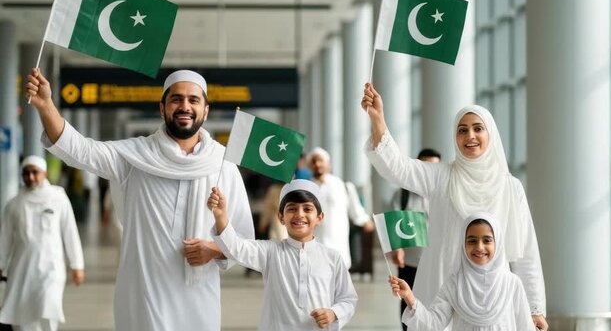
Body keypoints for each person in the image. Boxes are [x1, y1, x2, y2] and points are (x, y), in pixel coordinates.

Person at [25, 68, 255, 331]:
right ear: (162, 108)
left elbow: (244, 240)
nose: (185, 106)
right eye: (176, 99)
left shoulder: (223, 165)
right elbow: (79, 150)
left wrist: (212, 250)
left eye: (193, 100)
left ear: (205, 110)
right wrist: (46, 106)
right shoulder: (134, 156)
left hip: (199, 299)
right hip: (144, 296)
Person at [361, 83, 548, 331]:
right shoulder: (442, 177)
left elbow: (526, 252)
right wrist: (378, 121)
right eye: (462, 130)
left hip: (492, 294)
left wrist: (534, 309)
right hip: (441, 283)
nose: (470, 136)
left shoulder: (510, 188)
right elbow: (399, 168)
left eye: (478, 128)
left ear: (490, 134)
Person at [208, 179, 358, 330]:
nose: (299, 214)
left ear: (319, 217)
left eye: (307, 209)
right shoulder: (270, 252)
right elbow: (235, 247)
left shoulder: (332, 257)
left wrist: (333, 313)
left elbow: (348, 298)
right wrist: (221, 216)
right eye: (292, 209)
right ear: (281, 217)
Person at [389, 213, 536, 330]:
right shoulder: (454, 284)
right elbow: (434, 323)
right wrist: (410, 298)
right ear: (463, 245)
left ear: (498, 243)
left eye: (487, 240)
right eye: (471, 240)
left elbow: (525, 326)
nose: (479, 247)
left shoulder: (511, 284)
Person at [0, 155, 85, 331]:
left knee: (48, 308)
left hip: (51, 270)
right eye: (26, 173)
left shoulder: (58, 198)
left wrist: (77, 265)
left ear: (44, 173)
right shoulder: (14, 205)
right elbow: (5, 238)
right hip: (22, 270)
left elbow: (70, 231)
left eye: (35, 172)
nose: (30, 177)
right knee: (23, 318)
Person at [389, 148, 441, 330]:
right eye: (424, 165)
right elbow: (395, 221)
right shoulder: (404, 194)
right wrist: (397, 249)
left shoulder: (444, 193)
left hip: (437, 260)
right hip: (411, 261)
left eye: (433, 166)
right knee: (408, 298)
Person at [307, 147, 374, 268]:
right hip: (314, 242)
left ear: (328, 164)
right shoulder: (306, 187)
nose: (317, 164)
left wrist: (364, 220)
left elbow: (355, 209)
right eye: (314, 161)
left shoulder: (341, 185)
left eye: (320, 160)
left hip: (337, 241)